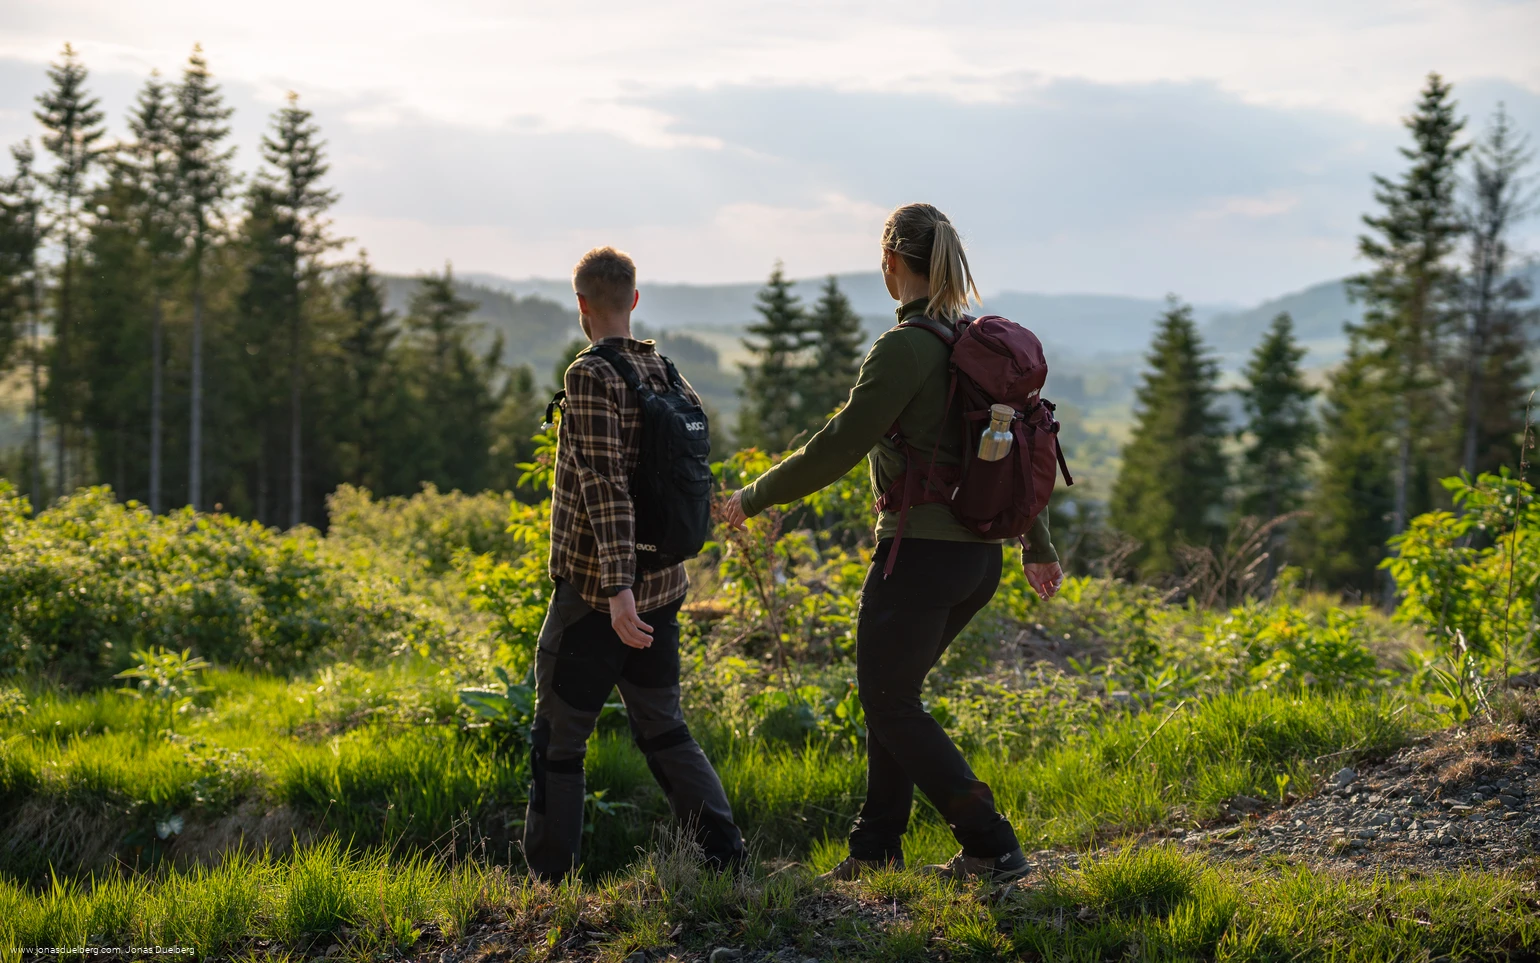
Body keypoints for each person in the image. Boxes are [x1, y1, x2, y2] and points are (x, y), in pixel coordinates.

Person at [722, 203, 1064, 883]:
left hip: (920, 560)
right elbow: (1018, 448)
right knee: (893, 692)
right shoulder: (968, 343)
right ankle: (875, 849)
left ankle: (990, 842)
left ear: (890, 264)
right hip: (977, 560)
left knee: (889, 700)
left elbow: (839, 444)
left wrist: (750, 497)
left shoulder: (904, 348)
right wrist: (1037, 543)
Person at [525, 246, 745, 881]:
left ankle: (548, 886)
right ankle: (726, 864)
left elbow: (605, 485)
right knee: (663, 727)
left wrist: (617, 588)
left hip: (598, 593)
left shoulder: (589, 377)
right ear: (635, 301)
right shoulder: (667, 372)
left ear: (582, 306)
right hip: (666, 583)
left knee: (559, 741)